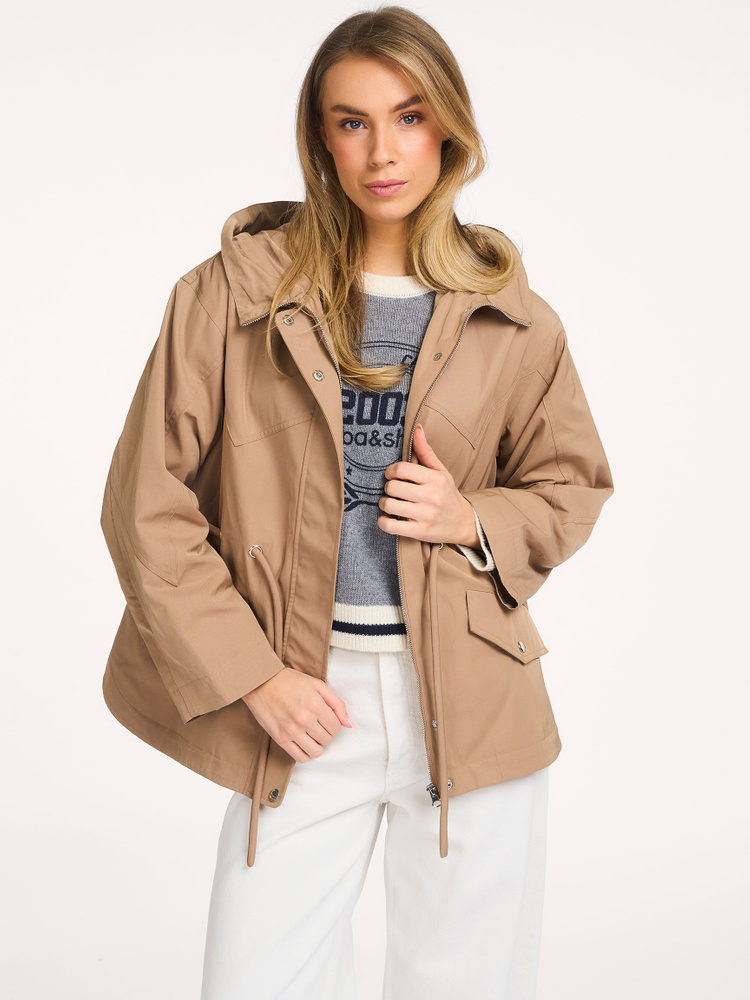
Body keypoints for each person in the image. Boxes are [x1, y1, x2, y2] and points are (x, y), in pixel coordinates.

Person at [99, 6, 615, 999]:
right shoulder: (228, 296)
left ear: (449, 127)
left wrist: (473, 519)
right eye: (353, 122)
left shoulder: (515, 315)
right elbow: (144, 508)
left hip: (471, 698)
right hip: (301, 699)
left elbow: (571, 482)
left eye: (409, 117)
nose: (382, 151)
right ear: (320, 137)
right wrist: (255, 677)